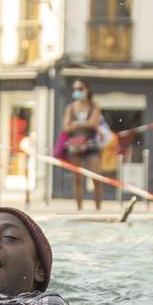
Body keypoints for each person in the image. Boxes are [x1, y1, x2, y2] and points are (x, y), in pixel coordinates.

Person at [63, 79, 103, 210]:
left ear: (87, 90)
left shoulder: (94, 106)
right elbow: (66, 127)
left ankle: (98, 208)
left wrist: (77, 124)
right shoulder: (70, 108)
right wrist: (84, 124)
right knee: (77, 179)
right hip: (75, 145)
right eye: (75, 89)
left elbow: (94, 123)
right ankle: (78, 208)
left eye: (80, 89)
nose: (77, 92)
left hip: (91, 144)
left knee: (96, 178)